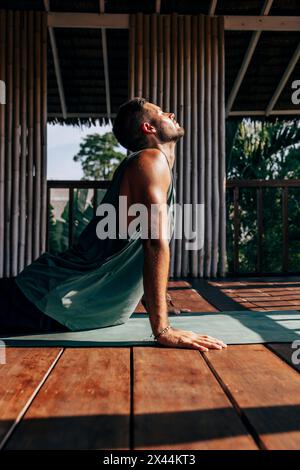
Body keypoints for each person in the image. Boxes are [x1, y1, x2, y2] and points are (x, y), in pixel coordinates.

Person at [0, 97, 226, 351]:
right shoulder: (150, 161)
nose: (171, 113)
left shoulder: (152, 166)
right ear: (148, 128)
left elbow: (136, 251)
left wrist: (159, 302)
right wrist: (163, 329)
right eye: (161, 112)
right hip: (49, 296)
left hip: (58, 303)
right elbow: (153, 243)